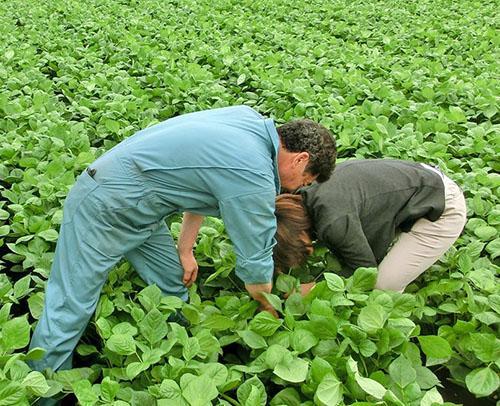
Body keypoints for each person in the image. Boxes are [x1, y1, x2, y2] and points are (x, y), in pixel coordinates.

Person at [29, 105, 336, 376]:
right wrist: (268, 306)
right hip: (106, 205)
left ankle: (172, 361)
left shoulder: (246, 120)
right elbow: (255, 261)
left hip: (142, 206)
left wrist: (186, 248)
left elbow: (202, 178)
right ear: (300, 160)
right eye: (306, 181)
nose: (297, 189)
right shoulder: (252, 171)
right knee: (70, 306)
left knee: (173, 284)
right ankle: (42, 392)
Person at [274, 159, 467, 293]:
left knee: (383, 285)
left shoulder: (334, 221)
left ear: (300, 235)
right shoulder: (298, 195)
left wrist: (316, 288)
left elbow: (365, 271)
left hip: (442, 205)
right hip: (419, 178)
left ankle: (393, 329)